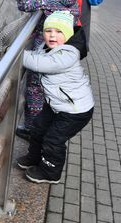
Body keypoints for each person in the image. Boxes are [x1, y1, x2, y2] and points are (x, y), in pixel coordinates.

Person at [16, 11, 94, 184]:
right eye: (48, 31)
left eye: (59, 32)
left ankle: (50, 173)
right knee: (38, 128)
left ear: (68, 35)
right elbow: (38, 55)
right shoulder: (48, 46)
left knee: (53, 139)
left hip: (75, 111)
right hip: (57, 104)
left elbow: (39, 63)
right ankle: (34, 157)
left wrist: (15, 53)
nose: (52, 35)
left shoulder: (68, 54)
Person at [16, 0, 79, 140]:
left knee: (36, 89)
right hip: (62, 49)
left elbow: (24, 4)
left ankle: (32, 131)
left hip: (48, 52)